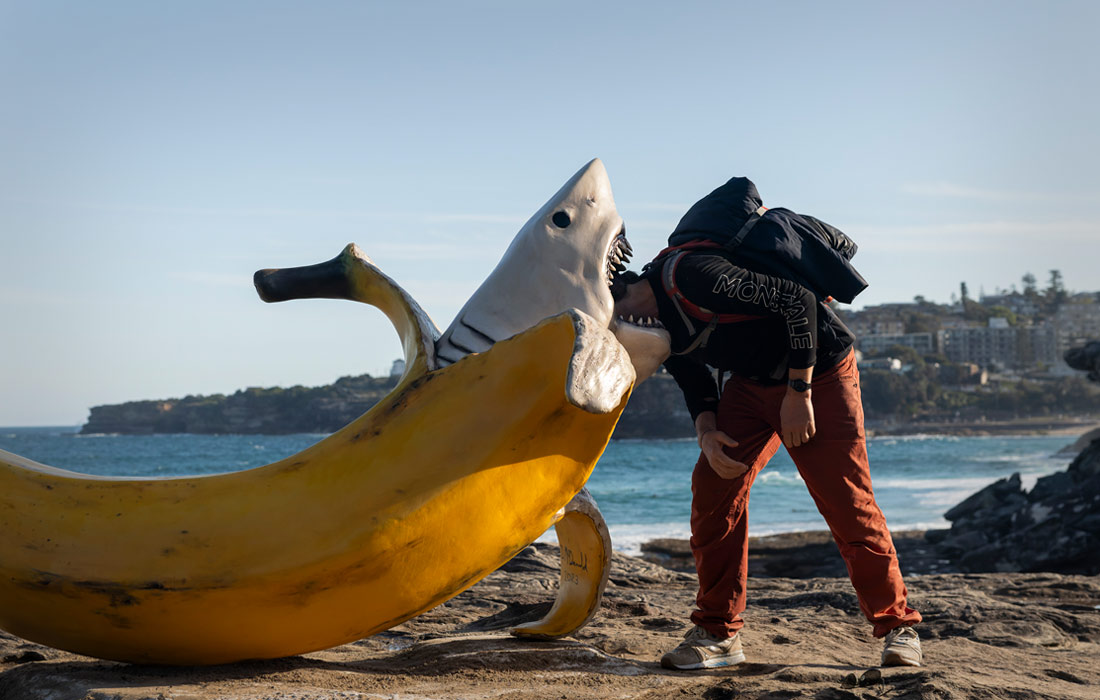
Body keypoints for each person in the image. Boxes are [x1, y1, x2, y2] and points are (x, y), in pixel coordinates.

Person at [611, 177, 922, 671]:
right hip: (751, 386)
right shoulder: (658, 327)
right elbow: (694, 379)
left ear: (624, 291)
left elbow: (797, 301)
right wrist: (707, 431)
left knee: (846, 502)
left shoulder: (695, 275)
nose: (618, 334)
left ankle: (898, 628)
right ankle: (717, 633)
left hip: (819, 373)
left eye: (614, 320)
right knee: (713, 491)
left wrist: (799, 394)